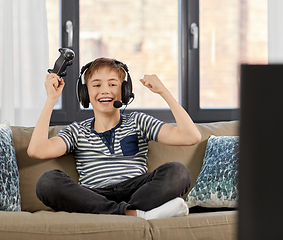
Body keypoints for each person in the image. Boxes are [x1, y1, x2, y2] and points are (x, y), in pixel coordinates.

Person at [27, 57, 201, 220]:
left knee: (178, 172)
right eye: (96, 85)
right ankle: (135, 214)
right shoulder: (76, 130)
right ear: (85, 93)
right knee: (47, 182)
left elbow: (191, 136)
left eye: (112, 84)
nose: (105, 90)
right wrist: (51, 99)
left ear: (124, 91)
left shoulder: (138, 121)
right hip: (94, 194)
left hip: (137, 191)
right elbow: (37, 150)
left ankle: (121, 213)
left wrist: (164, 92)